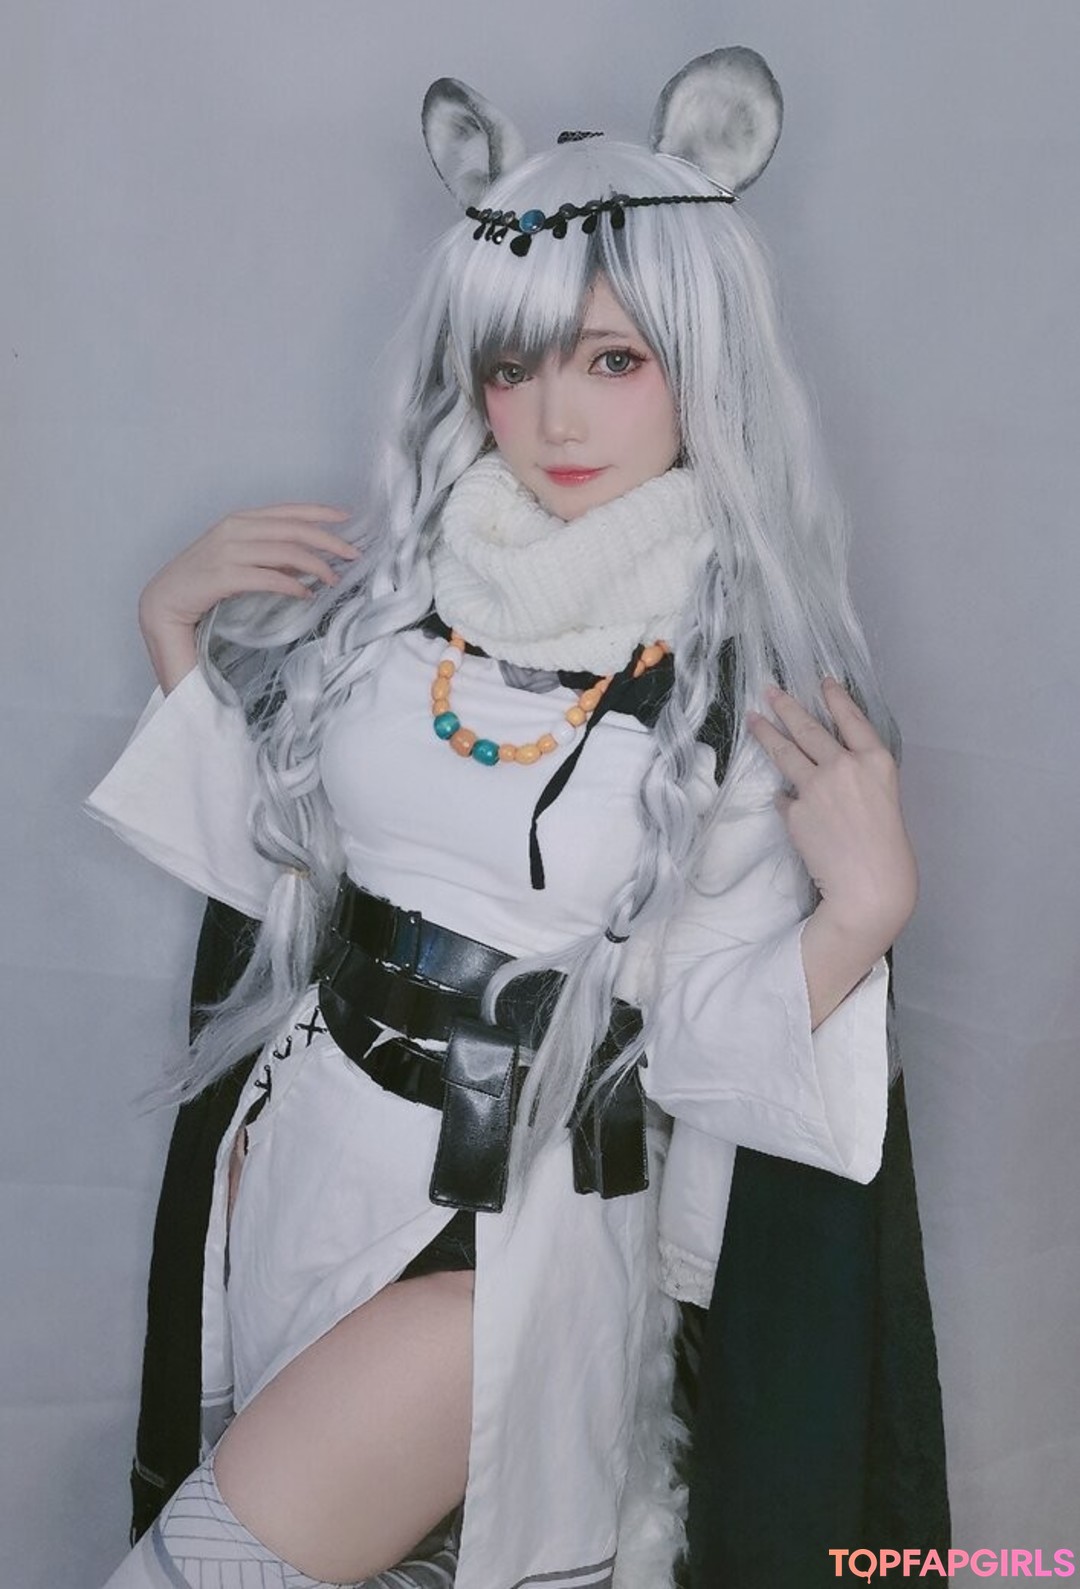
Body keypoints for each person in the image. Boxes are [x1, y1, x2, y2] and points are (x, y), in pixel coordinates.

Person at [87, 47, 937, 1589]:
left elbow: (705, 1056)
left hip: (504, 1247)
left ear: (703, 358)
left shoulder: (738, 693)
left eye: (612, 360)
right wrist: (171, 634)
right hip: (301, 1178)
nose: (553, 415)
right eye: (514, 362)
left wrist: (861, 918)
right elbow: (285, 889)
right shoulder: (398, 611)